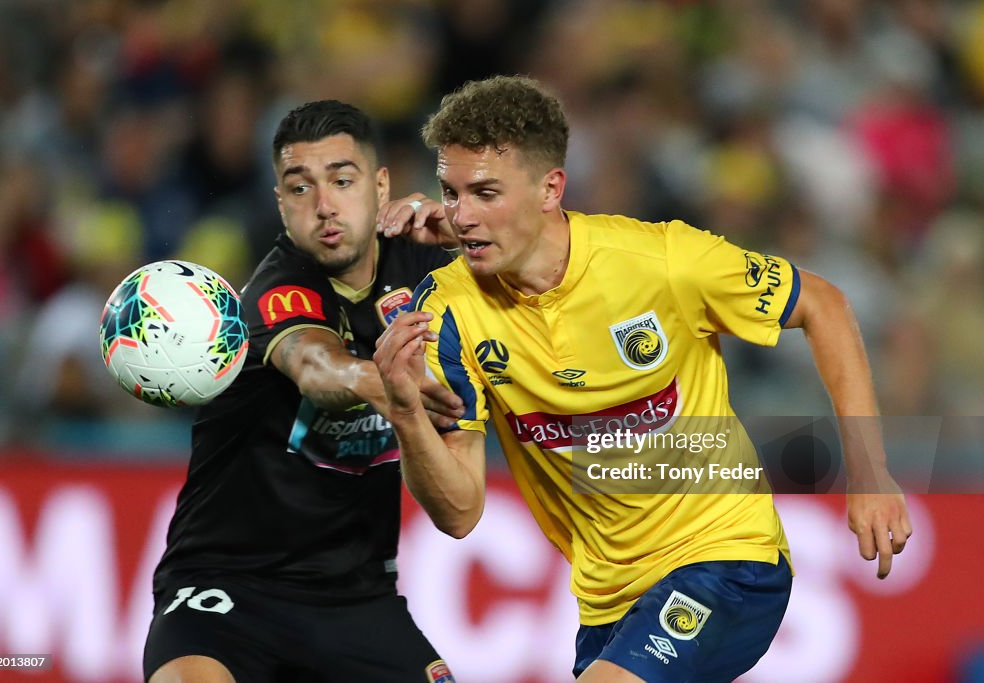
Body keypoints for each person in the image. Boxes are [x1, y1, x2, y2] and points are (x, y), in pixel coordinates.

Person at [373, 76, 912, 682]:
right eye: (451, 192)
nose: (461, 215)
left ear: (551, 188)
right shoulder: (445, 312)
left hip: (724, 558)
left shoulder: (661, 263)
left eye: (486, 193)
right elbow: (460, 512)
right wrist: (405, 410)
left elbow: (825, 306)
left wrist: (868, 471)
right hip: (609, 602)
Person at [143, 100, 463, 683]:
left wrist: (469, 235)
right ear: (281, 204)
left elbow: (543, 261)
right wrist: (385, 382)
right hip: (227, 589)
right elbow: (318, 367)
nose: (324, 206)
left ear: (381, 185)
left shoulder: (430, 265)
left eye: (342, 180)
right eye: (300, 188)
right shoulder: (275, 290)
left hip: (358, 600)